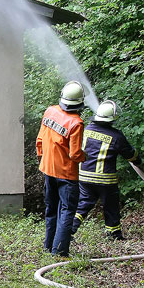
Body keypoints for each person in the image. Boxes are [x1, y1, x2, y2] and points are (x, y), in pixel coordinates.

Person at [71, 100, 140, 240]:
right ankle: (114, 235)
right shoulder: (116, 136)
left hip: (84, 176)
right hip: (106, 181)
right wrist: (137, 161)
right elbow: (130, 154)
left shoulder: (86, 129)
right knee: (111, 207)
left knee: (83, 205)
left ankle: (68, 231)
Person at [36, 80, 86, 257]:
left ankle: (48, 246)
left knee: (51, 209)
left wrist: (43, 158)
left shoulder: (50, 111)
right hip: (66, 175)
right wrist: (85, 156)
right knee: (66, 211)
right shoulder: (76, 123)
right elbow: (75, 154)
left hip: (48, 169)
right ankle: (59, 251)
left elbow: (40, 140)